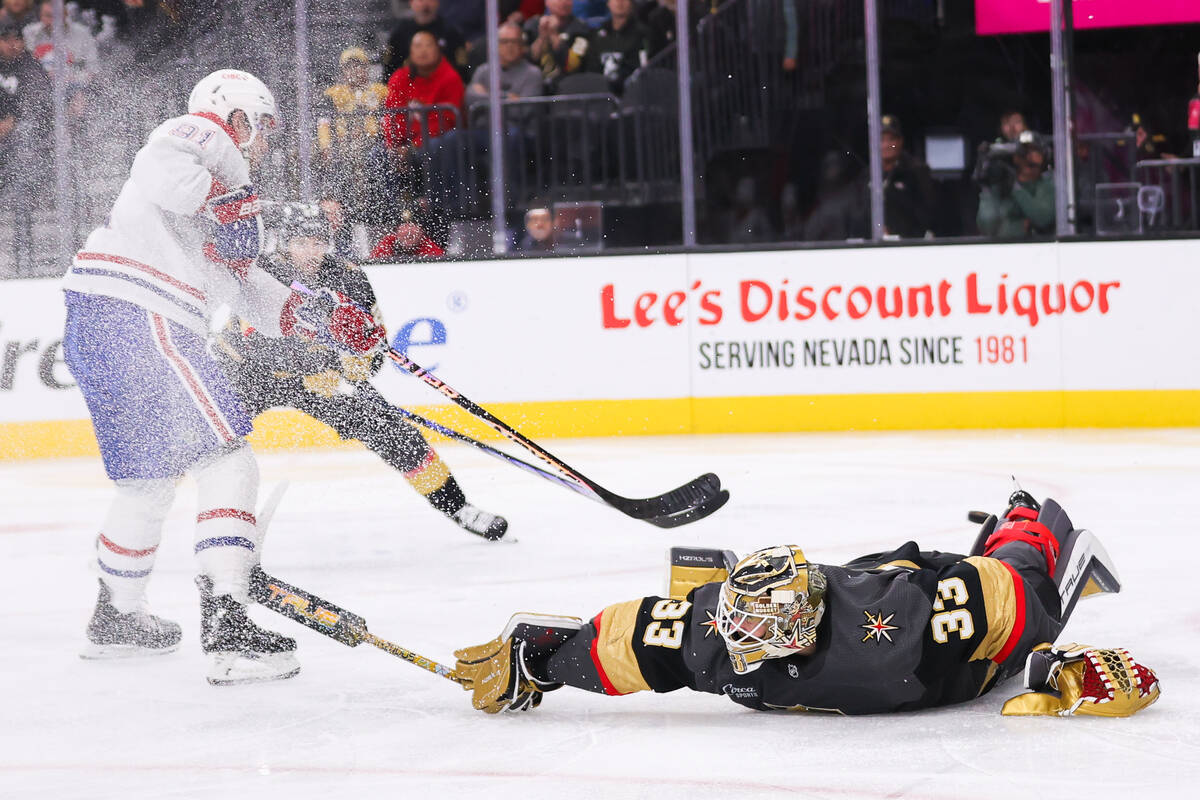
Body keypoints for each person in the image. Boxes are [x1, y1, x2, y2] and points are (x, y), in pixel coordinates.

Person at [61, 69, 388, 685]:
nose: (263, 140)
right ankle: (228, 623)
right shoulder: (205, 136)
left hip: (102, 317)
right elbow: (161, 167)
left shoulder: (221, 186)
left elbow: (243, 285)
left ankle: (117, 617)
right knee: (227, 458)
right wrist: (228, 193)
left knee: (150, 480)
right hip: (143, 311)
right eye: (261, 124)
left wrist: (322, 316)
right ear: (238, 115)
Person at [454, 489, 1160, 718]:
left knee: (1026, 577)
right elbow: (637, 639)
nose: (730, 634)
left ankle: (1027, 519)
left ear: (790, 625)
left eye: (750, 624)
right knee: (880, 569)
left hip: (946, 646)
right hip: (868, 590)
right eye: (734, 618)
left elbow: (1001, 604)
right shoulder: (723, 634)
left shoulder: (903, 634)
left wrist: (1049, 662)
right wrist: (544, 661)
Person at [214, 203, 508, 541]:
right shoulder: (263, 273)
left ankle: (458, 507)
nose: (311, 251)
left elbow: (375, 345)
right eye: (301, 243)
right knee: (209, 438)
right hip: (246, 373)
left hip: (325, 380)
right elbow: (256, 344)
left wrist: (354, 366)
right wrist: (309, 369)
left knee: (395, 434)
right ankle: (198, 513)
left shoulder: (350, 277)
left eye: (318, 242)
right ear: (285, 243)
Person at [383, 30, 465, 151]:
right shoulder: (399, 78)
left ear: (438, 49)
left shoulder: (451, 78)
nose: (423, 51)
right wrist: (394, 147)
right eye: (418, 46)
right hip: (403, 143)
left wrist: (413, 147)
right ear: (411, 51)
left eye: (428, 45)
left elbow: (445, 122)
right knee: (378, 152)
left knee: (435, 146)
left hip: (435, 142)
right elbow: (392, 116)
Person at [976, 136, 1055, 239]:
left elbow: (1042, 218)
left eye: (1034, 150)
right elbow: (987, 226)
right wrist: (987, 188)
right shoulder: (1002, 186)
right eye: (1023, 151)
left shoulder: (1048, 184)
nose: (1027, 156)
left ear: (1044, 156)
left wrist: (1016, 188)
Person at [879, 114, 936, 239]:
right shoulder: (868, 175)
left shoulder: (917, 171)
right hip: (875, 243)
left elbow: (927, 214)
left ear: (900, 141)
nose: (886, 145)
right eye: (882, 140)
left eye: (891, 140)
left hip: (910, 243)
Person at [382, 0, 468, 81]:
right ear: (411, 2)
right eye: (421, 0)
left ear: (438, 2)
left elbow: (461, 66)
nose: (426, 4)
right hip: (407, 82)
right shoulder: (400, 32)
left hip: (442, 83)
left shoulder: (450, 32)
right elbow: (389, 64)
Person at [582, 0, 648, 94]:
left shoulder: (642, 33)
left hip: (631, 91)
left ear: (631, 3)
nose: (619, 2)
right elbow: (591, 66)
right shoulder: (597, 34)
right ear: (608, 3)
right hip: (600, 92)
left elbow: (638, 66)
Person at [524, 0, 592, 89]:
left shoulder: (580, 29)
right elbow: (528, 61)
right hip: (535, 85)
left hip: (570, 85)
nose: (563, 2)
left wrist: (554, 35)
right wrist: (542, 37)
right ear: (547, 2)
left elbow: (572, 66)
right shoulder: (533, 25)